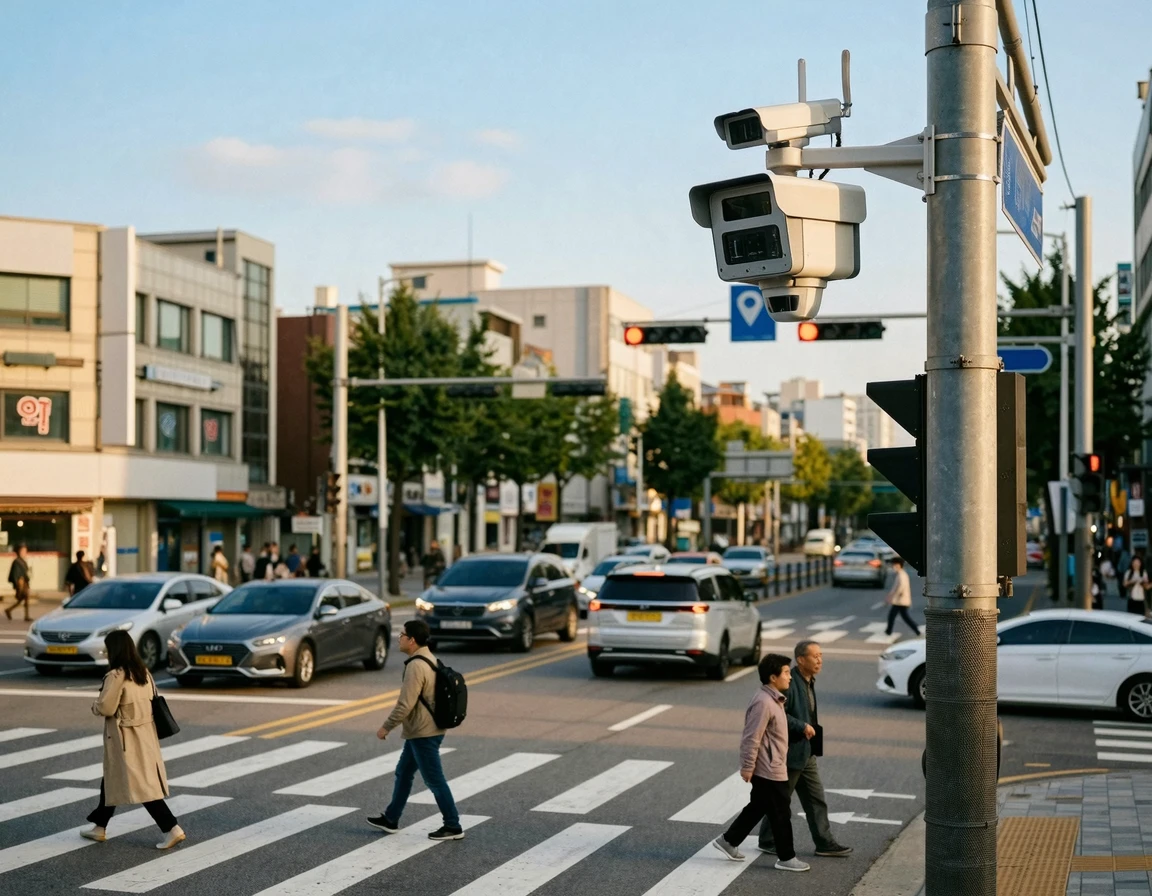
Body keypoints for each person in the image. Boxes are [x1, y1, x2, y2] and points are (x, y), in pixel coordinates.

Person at [80, 630, 184, 850]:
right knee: (113, 779)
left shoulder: (116, 676)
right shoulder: (143, 673)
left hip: (125, 740)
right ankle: (100, 826)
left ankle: (171, 828)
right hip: (145, 736)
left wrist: (95, 706)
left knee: (141, 787)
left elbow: (107, 707)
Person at [712, 653, 812, 873]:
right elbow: (751, 737)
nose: (790, 677)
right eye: (786, 673)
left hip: (772, 764)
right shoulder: (764, 702)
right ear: (773, 677)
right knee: (781, 813)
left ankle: (729, 841)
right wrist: (748, 766)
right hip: (769, 768)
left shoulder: (774, 699)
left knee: (758, 806)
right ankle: (786, 857)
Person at [368, 619, 463, 841]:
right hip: (423, 730)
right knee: (404, 772)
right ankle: (391, 818)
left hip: (424, 732)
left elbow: (405, 704)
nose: (399, 638)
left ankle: (453, 825)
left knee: (434, 780)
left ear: (411, 640)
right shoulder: (429, 659)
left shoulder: (416, 665)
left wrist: (385, 727)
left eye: (402, 635)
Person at [758, 641, 852, 857]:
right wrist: (801, 726)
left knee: (815, 799)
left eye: (821, 655)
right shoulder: (788, 683)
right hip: (789, 752)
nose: (819, 660)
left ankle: (824, 842)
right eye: (814, 656)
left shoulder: (808, 680)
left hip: (805, 751)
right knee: (780, 800)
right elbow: (777, 714)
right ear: (800, 660)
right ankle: (767, 840)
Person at [884, 557, 921, 636]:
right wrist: (891, 595)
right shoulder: (900, 574)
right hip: (900, 601)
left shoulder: (902, 575)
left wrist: (893, 596)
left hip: (901, 601)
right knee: (902, 617)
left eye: (893, 565)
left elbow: (900, 587)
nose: (893, 567)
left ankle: (889, 631)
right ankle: (915, 629)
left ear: (898, 565)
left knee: (894, 616)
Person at [5, 543, 31, 621]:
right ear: (18, 552)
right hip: (20, 584)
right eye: (22, 551)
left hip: (25, 583)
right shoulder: (16, 562)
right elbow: (15, 574)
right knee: (22, 599)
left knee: (24, 599)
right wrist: (17, 585)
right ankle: (9, 610)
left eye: (25, 551)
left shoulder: (23, 561)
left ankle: (10, 610)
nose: (24, 553)